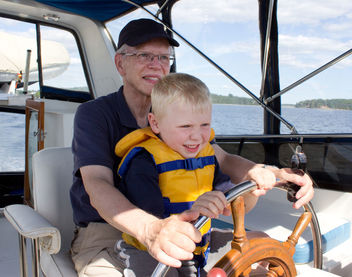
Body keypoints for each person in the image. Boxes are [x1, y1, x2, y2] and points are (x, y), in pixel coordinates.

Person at [70, 18, 314, 277]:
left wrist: (273, 174)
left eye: (164, 58)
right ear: (120, 63)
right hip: (108, 233)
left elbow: (222, 159)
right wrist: (151, 231)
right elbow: (97, 185)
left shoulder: (182, 117)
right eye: (144, 55)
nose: (157, 65)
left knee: (264, 248)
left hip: (188, 225)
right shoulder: (94, 114)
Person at [114, 72, 266, 276]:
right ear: (156, 123)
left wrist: (249, 191)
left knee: (262, 240)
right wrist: (196, 209)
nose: (197, 136)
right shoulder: (143, 161)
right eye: (185, 126)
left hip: (201, 243)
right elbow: (154, 220)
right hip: (151, 250)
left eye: (204, 125)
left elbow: (228, 196)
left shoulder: (207, 155)